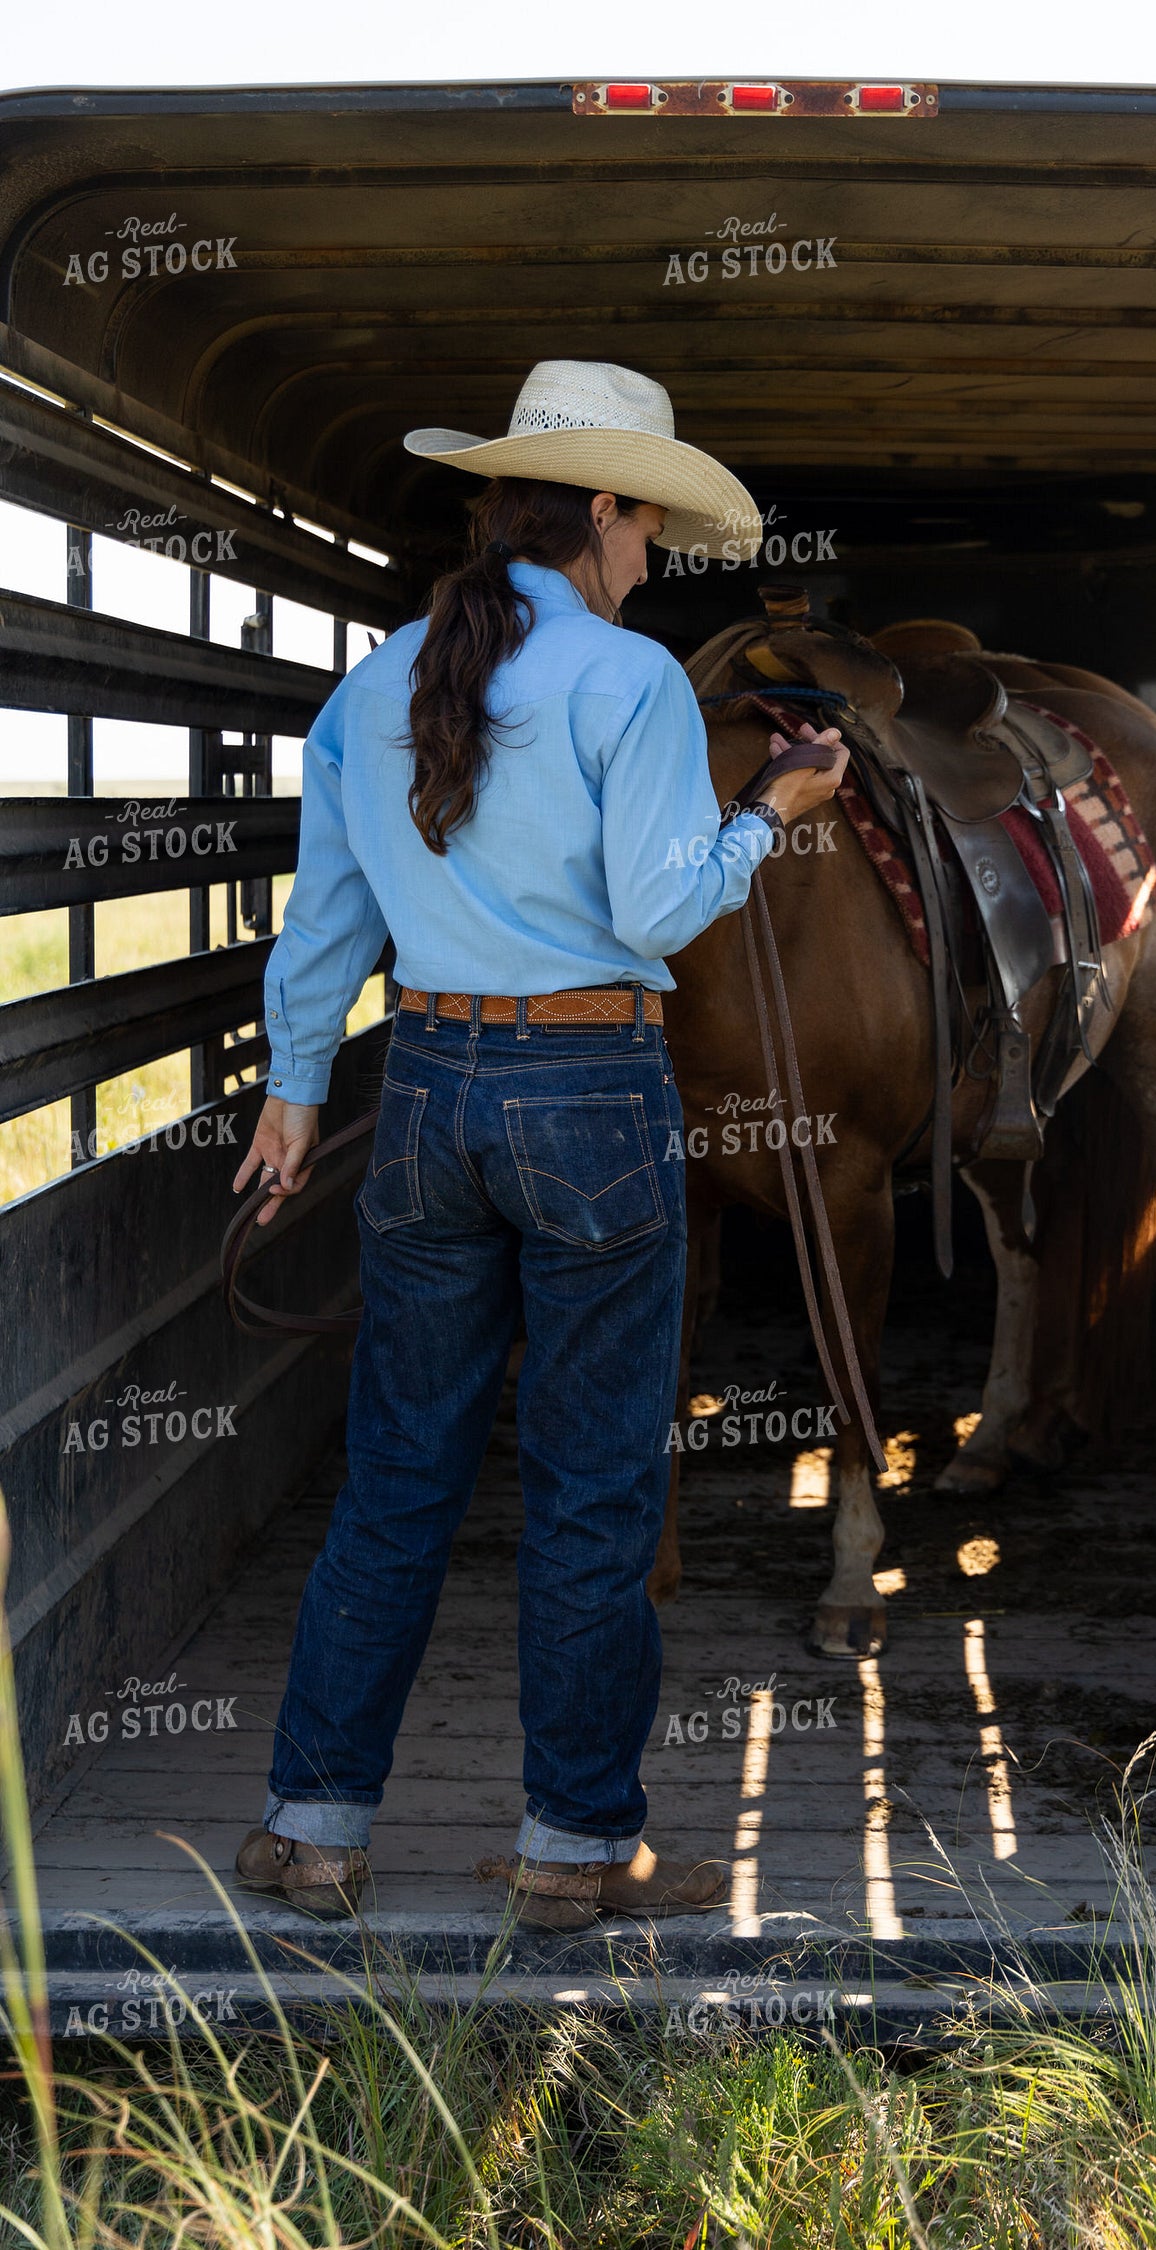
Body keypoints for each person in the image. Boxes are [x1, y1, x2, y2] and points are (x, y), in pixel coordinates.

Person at [228, 359, 846, 1925]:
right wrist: (771, 806)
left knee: (396, 1478)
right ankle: (576, 1851)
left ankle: (314, 1827)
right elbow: (654, 907)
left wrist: (297, 1091)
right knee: (591, 1489)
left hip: (430, 1083)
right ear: (609, 508)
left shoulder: (380, 682)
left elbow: (328, 915)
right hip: (587, 1092)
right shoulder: (626, 679)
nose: (652, 560)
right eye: (648, 528)